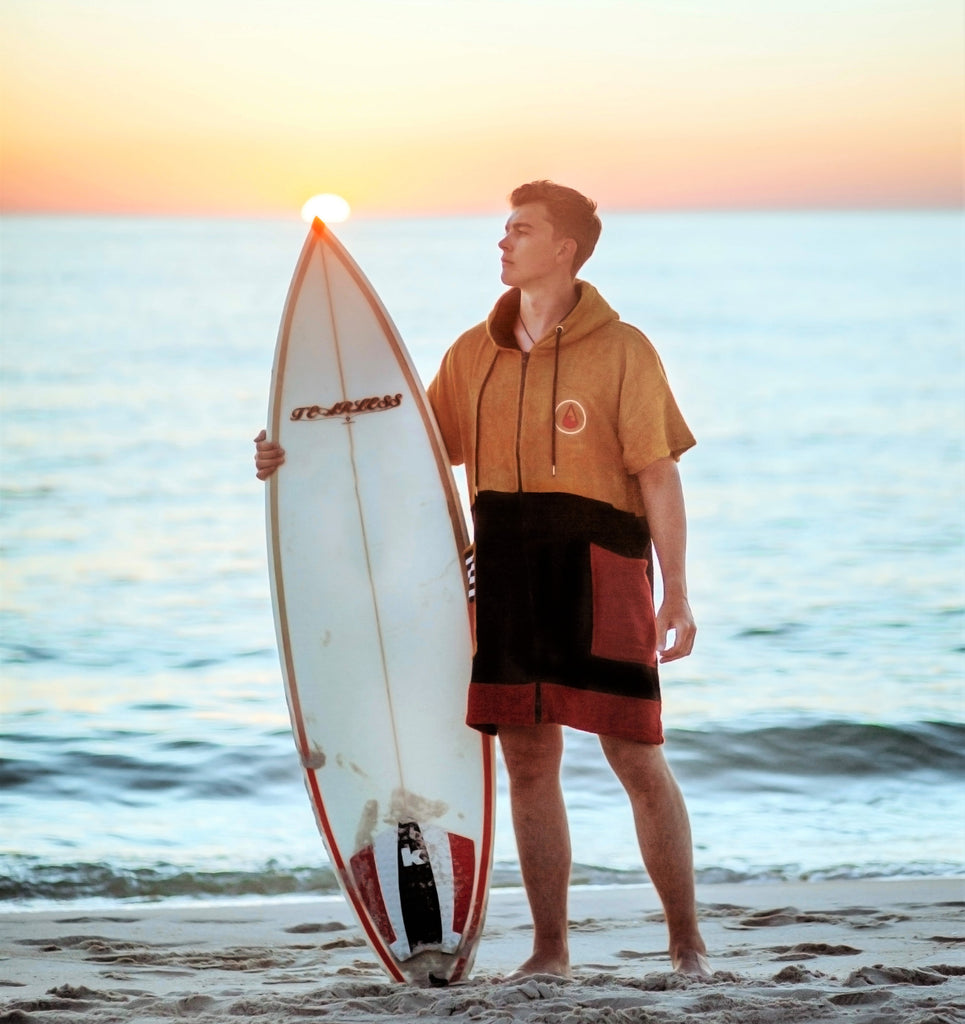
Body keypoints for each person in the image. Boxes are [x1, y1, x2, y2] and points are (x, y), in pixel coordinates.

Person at [254, 181, 710, 980]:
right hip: (501, 572)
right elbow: (402, 452)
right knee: (529, 764)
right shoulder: (473, 352)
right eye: (503, 230)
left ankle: (686, 942)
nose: (502, 243)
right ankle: (550, 948)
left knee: (635, 756)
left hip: (599, 568)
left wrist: (674, 591)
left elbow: (659, 475)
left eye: (519, 230)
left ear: (563, 248)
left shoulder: (624, 348)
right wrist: (289, 455)